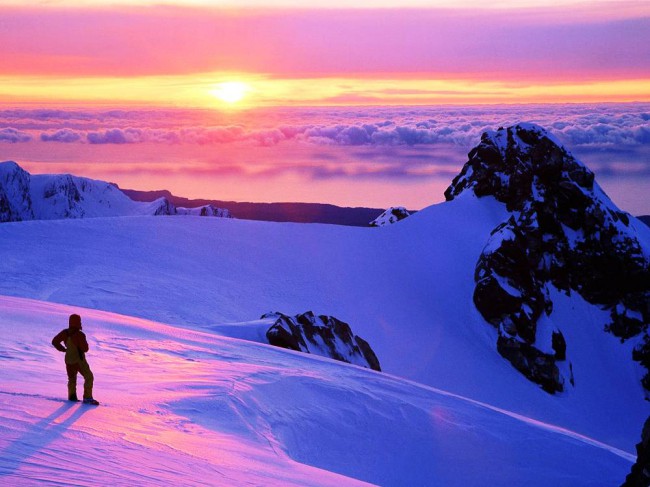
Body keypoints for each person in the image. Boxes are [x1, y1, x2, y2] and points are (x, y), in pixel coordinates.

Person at [52, 314, 99, 405]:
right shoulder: (80, 335)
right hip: (78, 360)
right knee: (89, 377)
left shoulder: (65, 332)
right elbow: (85, 349)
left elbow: (54, 341)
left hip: (68, 360)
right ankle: (87, 398)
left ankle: (72, 397)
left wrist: (64, 349)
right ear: (78, 322)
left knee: (72, 378)